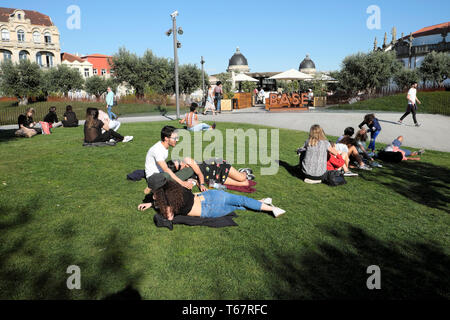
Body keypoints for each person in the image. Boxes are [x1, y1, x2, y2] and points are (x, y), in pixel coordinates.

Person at [137, 174, 285, 219]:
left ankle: (271, 209)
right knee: (240, 202)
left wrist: (156, 205)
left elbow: (169, 217)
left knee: (237, 205)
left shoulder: (167, 202)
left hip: (208, 209)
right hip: (209, 195)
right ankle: (264, 204)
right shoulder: (176, 188)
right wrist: (152, 203)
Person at [144, 126, 196, 192]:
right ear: (166, 138)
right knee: (167, 174)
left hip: (163, 175)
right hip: (154, 178)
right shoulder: (157, 150)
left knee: (190, 169)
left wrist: (183, 163)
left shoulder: (165, 146)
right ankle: (156, 188)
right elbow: (166, 169)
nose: (177, 140)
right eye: (175, 138)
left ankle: (168, 186)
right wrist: (182, 183)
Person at [167, 157, 252, 188]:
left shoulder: (187, 160)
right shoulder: (184, 174)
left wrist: (202, 184)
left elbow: (199, 173)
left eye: (178, 161)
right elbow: (195, 180)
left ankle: (243, 172)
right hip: (212, 179)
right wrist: (197, 184)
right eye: (179, 165)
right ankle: (239, 174)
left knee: (242, 178)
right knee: (245, 184)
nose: (181, 163)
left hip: (216, 166)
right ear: (177, 169)